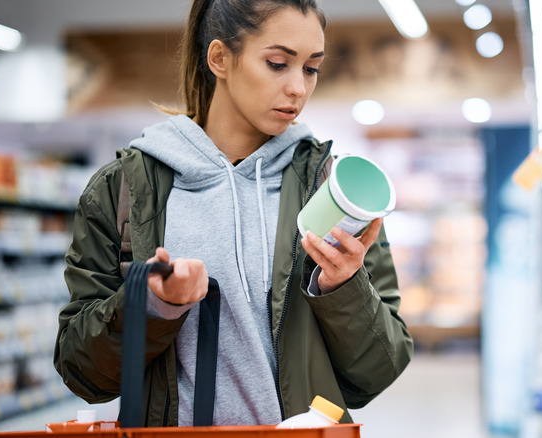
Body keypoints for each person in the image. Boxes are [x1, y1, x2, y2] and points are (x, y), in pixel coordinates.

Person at [54, 0, 413, 428]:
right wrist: (151, 304)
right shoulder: (123, 190)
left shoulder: (332, 191)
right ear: (220, 58)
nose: (299, 87)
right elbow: (83, 372)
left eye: (311, 68)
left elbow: (378, 371)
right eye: (278, 63)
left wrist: (343, 287)